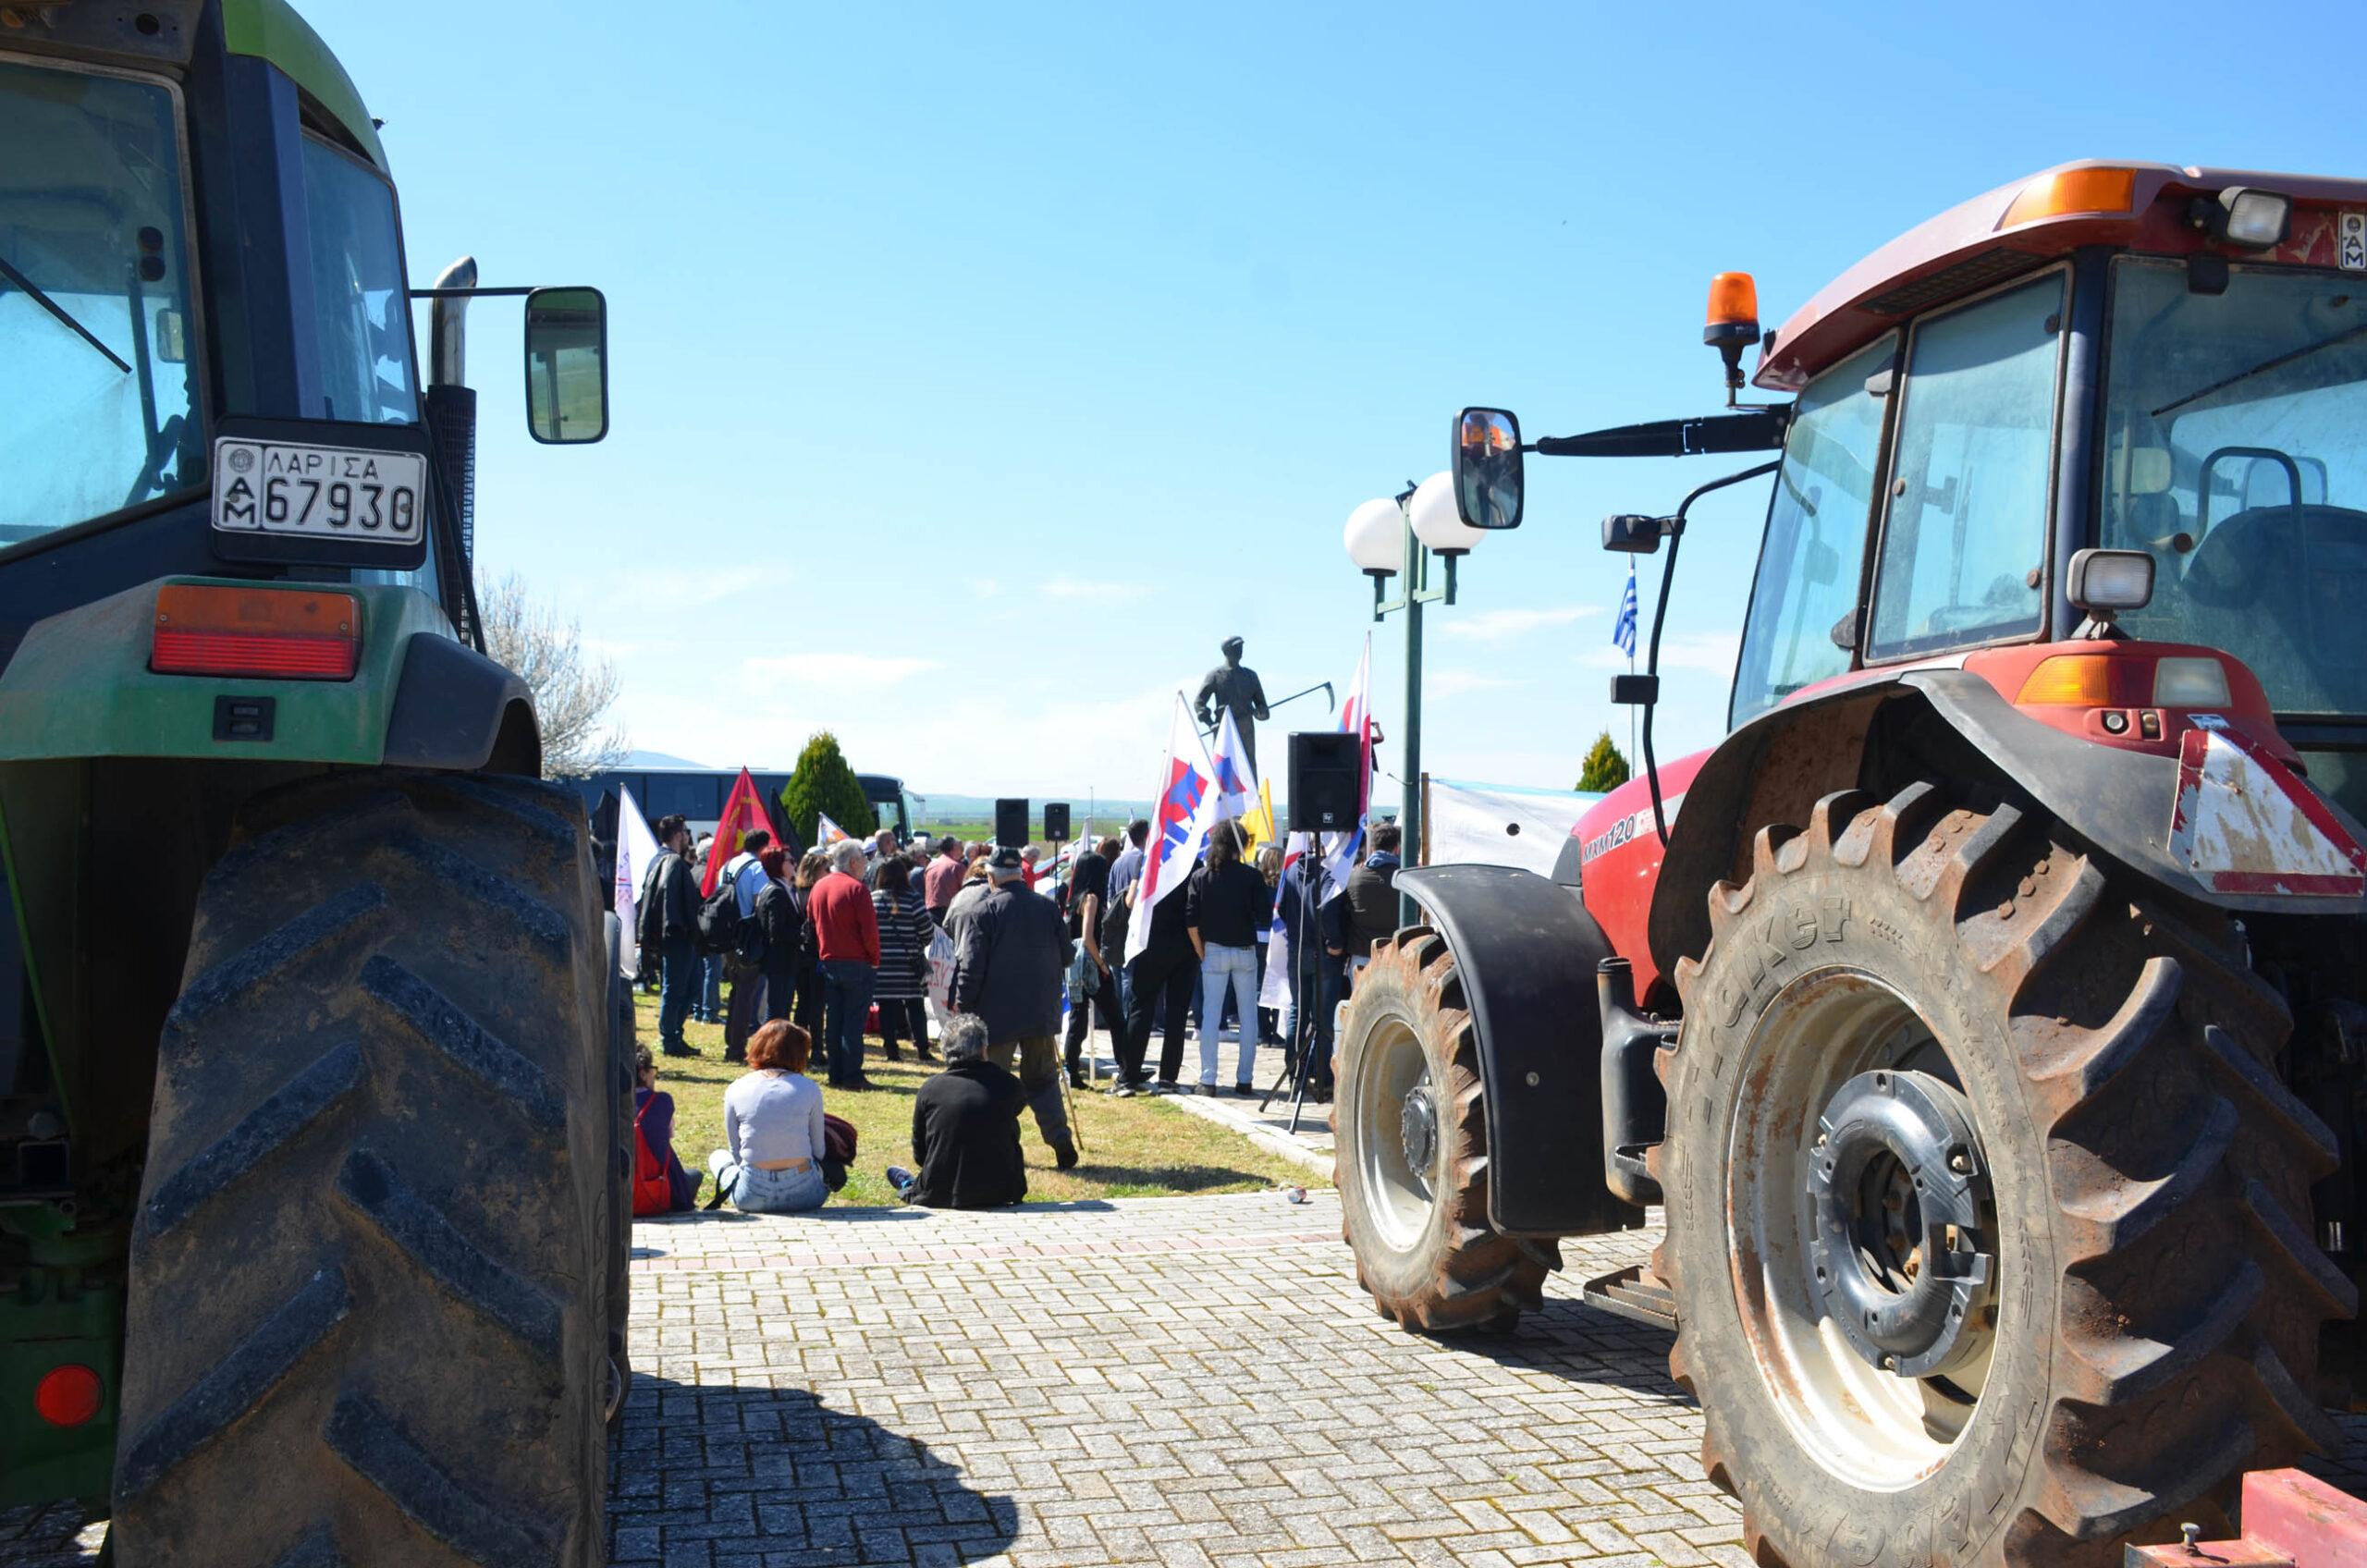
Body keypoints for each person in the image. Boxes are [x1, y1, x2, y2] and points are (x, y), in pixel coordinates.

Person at [952, 848, 1077, 1167]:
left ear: (991, 878)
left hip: (998, 1017)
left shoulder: (983, 912)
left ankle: (998, 1146)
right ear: (1020, 876)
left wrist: (963, 1011)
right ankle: (1060, 1139)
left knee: (992, 1083)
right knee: (1043, 1079)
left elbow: (971, 968)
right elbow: (1067, 956)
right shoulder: (1047, 908)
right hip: (1040, 1013)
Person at [887, 1013, 1027, 1208]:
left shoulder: (930, 1089)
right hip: (1002, 1189)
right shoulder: (1010, 1084)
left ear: (946, 1051)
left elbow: (921, 1153)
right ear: (984, 1049)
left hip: (940, 1190)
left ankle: (907, 1183)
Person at [705, 1020, 829, 1214]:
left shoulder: (736, 1088)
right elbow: (819, 1150)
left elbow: (736, 1150)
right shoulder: (809, 1088)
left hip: (752, 1193)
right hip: (805, 1192)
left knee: (718, 1157)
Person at [1184, 820, 1268, 1096]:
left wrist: (1200, 950)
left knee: (1210, 1016)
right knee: (1248, 1017)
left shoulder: (1200, 877)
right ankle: (1245, 1079)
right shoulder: (1252, 877)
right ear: (1241, 844)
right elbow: (1265, 916)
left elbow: (1191, 922)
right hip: (1245, 951)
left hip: (1213, 950)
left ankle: (1208, 1079)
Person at [1122, 853, 1200, 1095]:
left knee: (1141, 1008)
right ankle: (1168, 1077)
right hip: (1185, 947)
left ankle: (1128, 1076)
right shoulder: (1194, 863)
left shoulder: (1149, 859)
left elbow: (1130, 901)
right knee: (1177, 1015)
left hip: (1151, 943)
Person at [809, 839, 881, 1090]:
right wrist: (874, 959)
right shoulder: (857, 889)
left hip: (829, 961)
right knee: (852, 1022)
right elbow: (869, 932)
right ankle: (851, 1074)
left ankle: (836, 1072)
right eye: (863, 858)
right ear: (852, 861)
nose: (866, 862)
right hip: (857, 963)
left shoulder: (819, 887)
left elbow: (811, 925)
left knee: (835, 1019)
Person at [1278, 851, 1346, 1101]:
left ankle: (1295, 1072)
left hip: (1297, 952)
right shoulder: (1328, 873)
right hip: (1322, 954)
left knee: (1298, 1010)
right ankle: (1322, 1078)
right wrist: (1334, 941)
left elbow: (1283, 907)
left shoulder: (1292, 870)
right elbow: (1327, 907)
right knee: (1322, 1017)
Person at [1061, 834, 1116, 1089]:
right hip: (1089, 966)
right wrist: (1103, 964)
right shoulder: (1092, 898)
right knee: (1115, 1016)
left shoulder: (1071, 898)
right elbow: (1087, 937)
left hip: (1072, 965)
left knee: (1078, 1019)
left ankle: (1071, 1070)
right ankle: (1127, 1067)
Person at [870, 858, 937, 1063]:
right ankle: (923, 1049)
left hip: (883, 964)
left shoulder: (873, 899)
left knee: (887, 1009)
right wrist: (917, 944)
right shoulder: (913, 899)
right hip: (909, 964)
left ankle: (891, 1051)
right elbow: (927, 930)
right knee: (916, 1007)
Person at [647, 815, 703, 1058]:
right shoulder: (673, 863)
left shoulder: (656, 861)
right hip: (677, 934)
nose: (688, 837)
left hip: (671, 935)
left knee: (688, 986)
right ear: (679, 835)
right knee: (676, 988)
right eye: (686, 832)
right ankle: (669, 1037)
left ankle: (673, 1034)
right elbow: (679, 904)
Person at [718, 828, 773, 1064]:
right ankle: (736, 1049)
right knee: (745, 994)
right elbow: (759, 900)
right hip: (746, 936)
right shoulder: (756, 868)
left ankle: (731, 1039)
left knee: (736, 989)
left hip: (728, 935)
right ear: (762, 848)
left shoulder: (728, 865)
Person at [632, 1046, 699, 1213]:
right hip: (658, 1188)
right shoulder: (662, 1101)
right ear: (643, 1074)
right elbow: (669, 1135)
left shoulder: (608, 1103)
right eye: (652, 1070)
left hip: (620, 1193)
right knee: (695, 1175)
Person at [1340, 822, 1404, 982]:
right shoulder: (1406, 879)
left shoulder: (1354, 876)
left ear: (1372, 848)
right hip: (1396, 956)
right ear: (1397, 848)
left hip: (1362, 955)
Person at [754, 844, 803, 1030]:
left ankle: (776, 1048)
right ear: (778, 865)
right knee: (778, 1010)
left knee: (780, 1009)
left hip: (783, 960)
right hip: (780, 960)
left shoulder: (779, 888)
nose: (794, 864)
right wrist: (800, 936)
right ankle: (771, 1049)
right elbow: (776, 931)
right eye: (790, 861)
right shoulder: (776, 891)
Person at [1254, 842, 1284, 1048]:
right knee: (1280, 983)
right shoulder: (1285, 884)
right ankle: (1277, 1034)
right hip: (1280, 937)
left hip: (1258, 938)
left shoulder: (1257, 884)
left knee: (1260, 986)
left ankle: (1264, 1033)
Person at [944, 853, 993, 946]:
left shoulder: (958, 896)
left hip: (961, 953)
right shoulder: (995, 895)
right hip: (987, 954)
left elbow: (947, 925)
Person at [925, 835, 967, 925]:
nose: (962, 850)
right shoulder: (957, 866)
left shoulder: (931, 865)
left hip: (930, 913)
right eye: (960, 846)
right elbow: (967, 892)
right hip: (949, 913)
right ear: (954, 847)